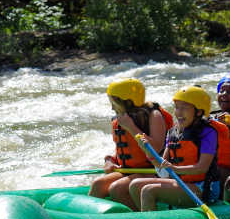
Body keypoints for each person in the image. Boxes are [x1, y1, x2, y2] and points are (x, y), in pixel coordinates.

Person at [129, 85, 222, 211]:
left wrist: (175, 168)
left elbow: (202, 168)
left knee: (148, 190)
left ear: (199, 112)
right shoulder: (173, 132)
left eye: (185, 108)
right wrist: (146, 148)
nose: (179, 112)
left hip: (203, 188)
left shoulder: (208, 133)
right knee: (135, 185)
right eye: (177, 107)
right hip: (182, 183)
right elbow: (162, 170)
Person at [89, 78, 173, 210]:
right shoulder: (121, 119)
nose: (112, 107)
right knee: (98, 184)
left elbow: (155, 149)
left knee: (117, 189)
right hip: (131, 170)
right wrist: (109, 161)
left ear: (128, 102)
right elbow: (123, 150)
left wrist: (131, 127)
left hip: (157, 170)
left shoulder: (154, 115)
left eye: (114, 103)